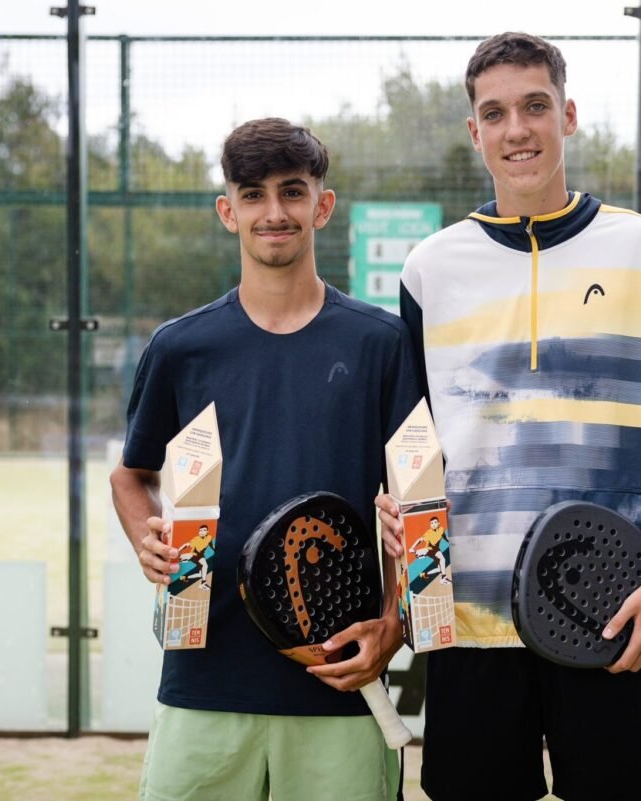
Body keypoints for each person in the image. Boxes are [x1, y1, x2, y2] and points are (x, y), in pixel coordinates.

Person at [375, 32, 641, 801]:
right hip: (467, 624)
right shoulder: (429, 268)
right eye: (494, 113)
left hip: (610, 611)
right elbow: (410, 445)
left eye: (535, 107)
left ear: (567, 116)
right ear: (475, 132)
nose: (517, 129)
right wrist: (390, 504)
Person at [111, 117, 420, 801]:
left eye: (292, 191)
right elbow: (131, 474)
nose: (273, 212)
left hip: (339, 673)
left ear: (323, 204)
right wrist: (146, 534)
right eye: (253, 195)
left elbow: (412, 503)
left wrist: (395, 623)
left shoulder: (384, 344)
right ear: (228, 211)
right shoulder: (181, 346)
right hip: (203, 675)